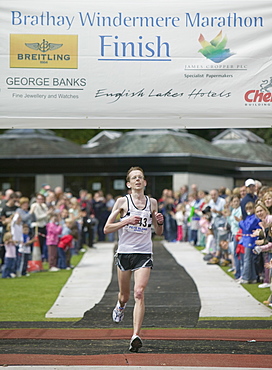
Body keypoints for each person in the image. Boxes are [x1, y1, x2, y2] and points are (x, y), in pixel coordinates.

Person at [104, 166, 164, 353]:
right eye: (134, 178)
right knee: (125, 295)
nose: (138, 180)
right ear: (129, 184)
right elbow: (107, 228)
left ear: (144, 182)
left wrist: (160, 222)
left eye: (140, 177)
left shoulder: (152, 203)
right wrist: (125, 221)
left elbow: (159, 233)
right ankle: (120, 306)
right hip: (124, 253)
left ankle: (135, 336)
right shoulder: (122, 201)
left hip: (144, 253)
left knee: (139, 292)